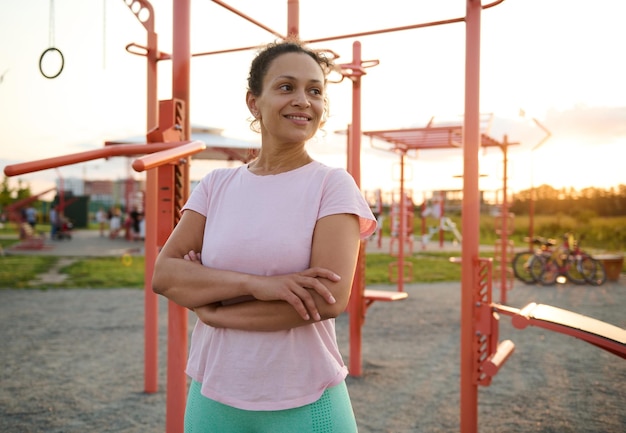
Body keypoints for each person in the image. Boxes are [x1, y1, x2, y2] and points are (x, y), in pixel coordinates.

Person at [152, 39, 376, 433]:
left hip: (305, 398)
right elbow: (166, 276)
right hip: (212, 395)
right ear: (253, 102)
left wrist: (213, 307)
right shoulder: (216, 186)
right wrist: (262, 286)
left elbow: (326, 301)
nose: (304, 100)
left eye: (315, 90)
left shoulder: (332, 186)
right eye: (286, 87)